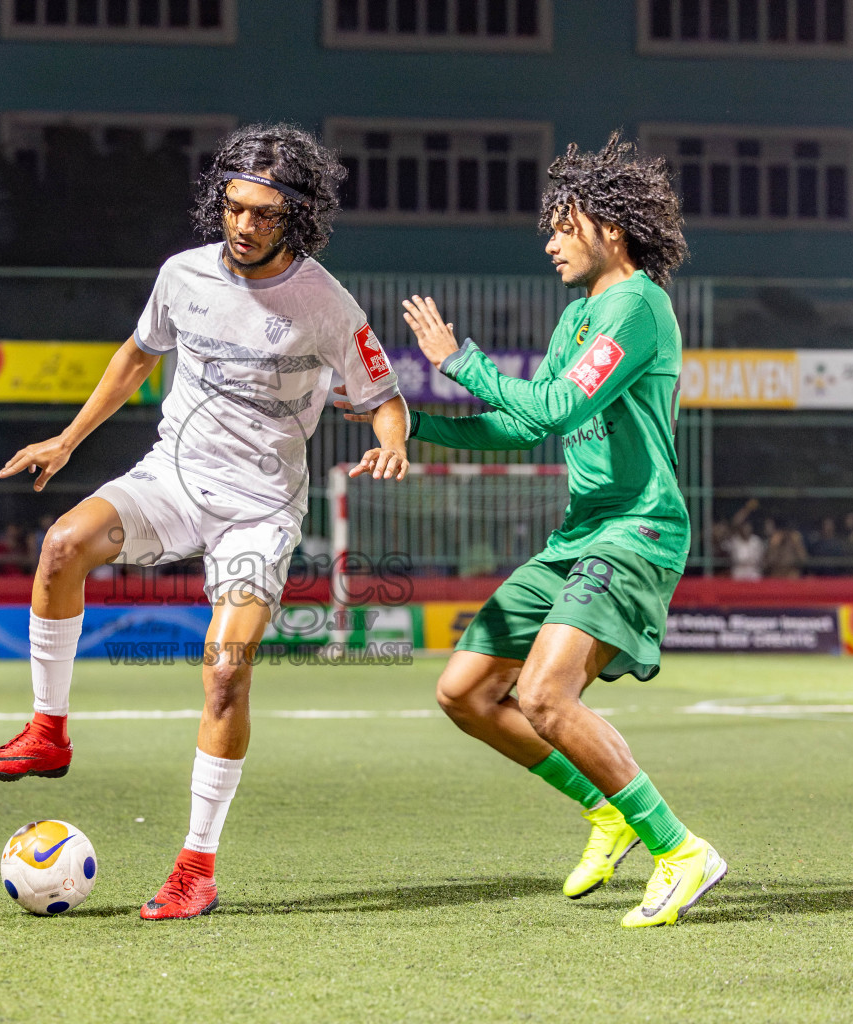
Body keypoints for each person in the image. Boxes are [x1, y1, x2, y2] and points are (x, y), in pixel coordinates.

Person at [0, 124, 409, 920]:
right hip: (171, 476)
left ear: (297, 217)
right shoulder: (182, 275)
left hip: (260, 508)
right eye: (235, 207)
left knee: (225, 668)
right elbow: (137, 355)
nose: (245, 225)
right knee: (62, 544)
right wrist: (68, 441)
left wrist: (392, 445)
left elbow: (384, 398)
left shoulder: (326, 304)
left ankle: (195, 868)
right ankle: (47, 730)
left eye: (265, 214)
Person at [342, 133, 725, 928]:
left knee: (546, 694)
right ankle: (609, 810)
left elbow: (559, 410)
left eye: (562, 226)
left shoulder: (638, 306)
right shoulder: (579, 315)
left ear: (609, 229)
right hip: (580, 534)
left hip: (636, 530)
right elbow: (524, 430)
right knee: (466, 691)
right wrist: (413, 430)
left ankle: (681, 850)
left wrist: (458, 360)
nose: (550, 243)